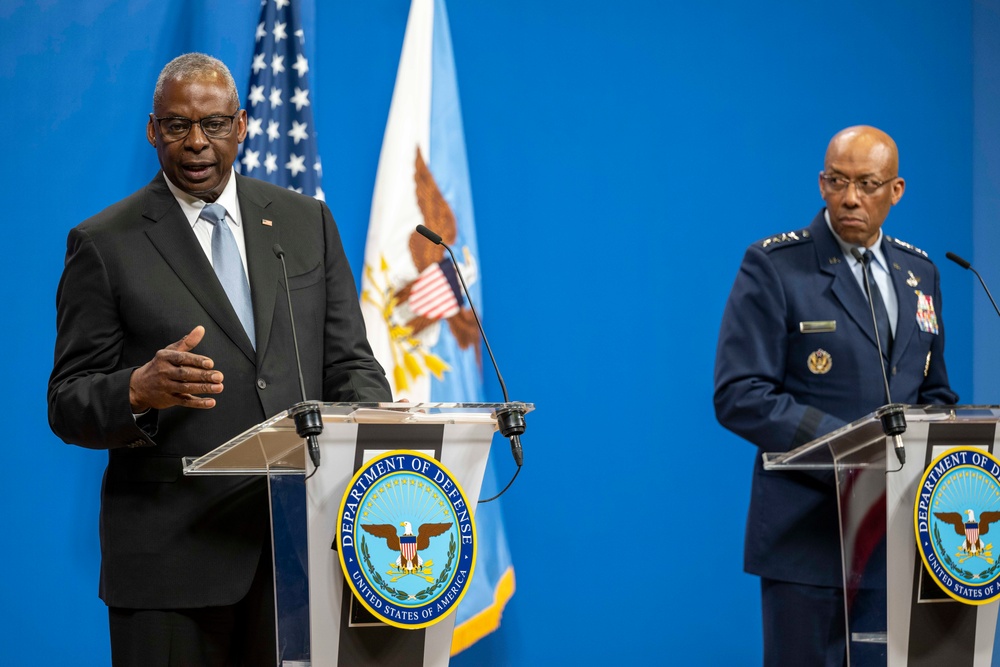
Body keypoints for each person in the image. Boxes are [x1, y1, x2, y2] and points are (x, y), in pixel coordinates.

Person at [47, 53, 392, 666]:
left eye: (213, 124)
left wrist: (376, 433)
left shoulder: (305, 221)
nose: (197, 143)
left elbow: (351, 365)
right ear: (153, 131)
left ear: (243, 125)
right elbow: (67, 401)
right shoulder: (104, 244)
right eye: (178, 126)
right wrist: (138, 389)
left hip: (300, 553)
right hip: (169, 566)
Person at [714, 125, 958, 666]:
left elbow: (935, 391)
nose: (851, 197)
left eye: (868, 184)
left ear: (895, 191)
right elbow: (739, 393)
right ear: (821, 184)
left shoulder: (921, 274)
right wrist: (849, 449)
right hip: (808, 540)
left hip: (899, 540)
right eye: (838, 182)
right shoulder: (776, 267)